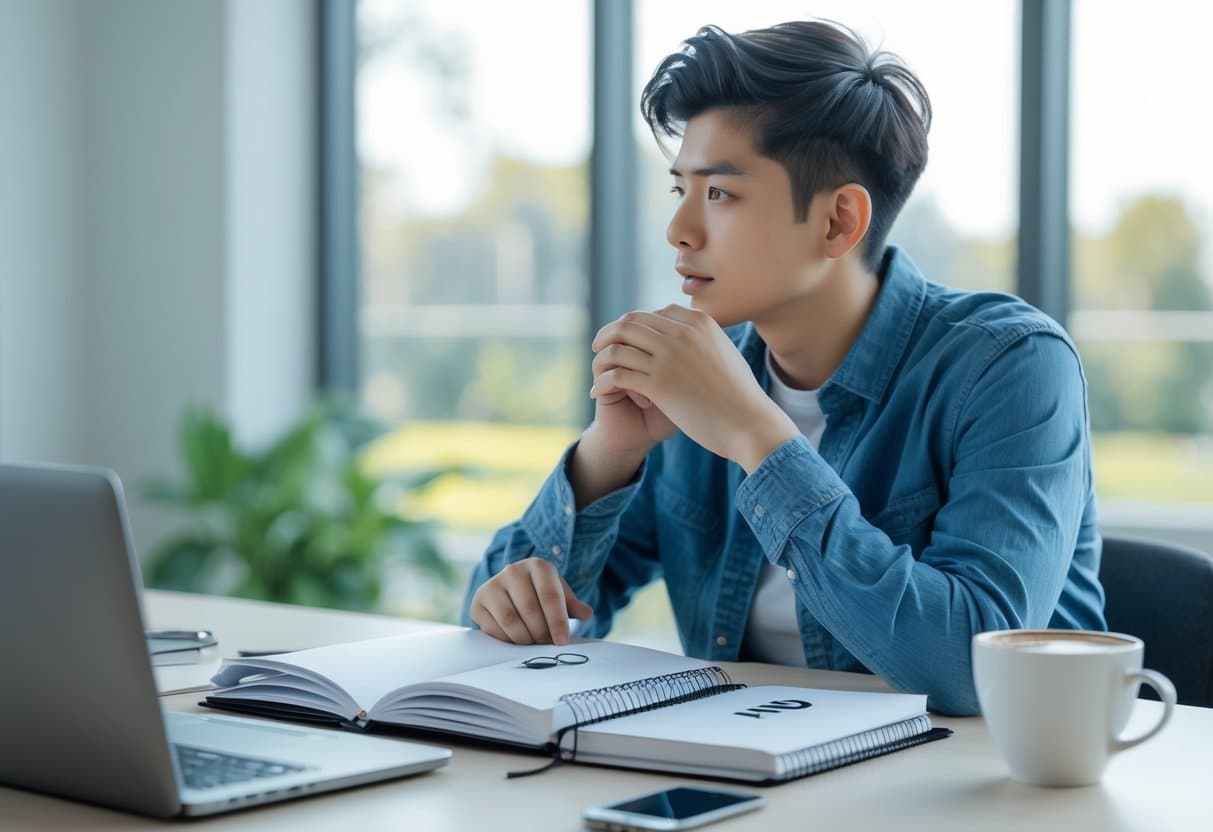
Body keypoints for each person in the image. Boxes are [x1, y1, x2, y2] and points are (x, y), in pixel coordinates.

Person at [461, 19, 1105, 715]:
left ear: (837, 223)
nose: (678, 228)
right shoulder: (696, 375)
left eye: (719, 194)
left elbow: (972, 663)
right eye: (680, 189)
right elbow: (510, 634)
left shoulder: (1008, 365)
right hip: (755, 775)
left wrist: (756, 437)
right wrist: (606, 455)